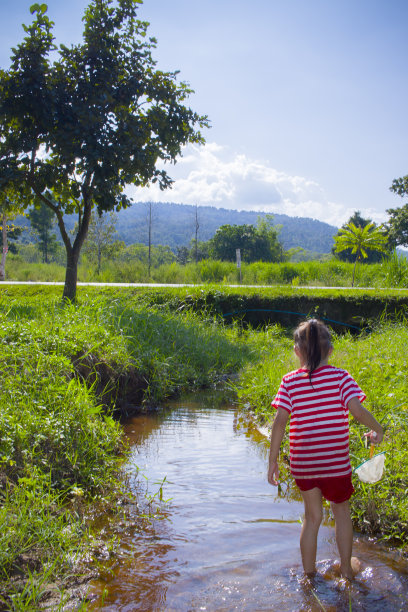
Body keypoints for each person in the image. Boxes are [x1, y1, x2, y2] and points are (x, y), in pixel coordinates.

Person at [267, 319, 383, 580]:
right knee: (341, 512)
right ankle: (347, 574)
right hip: (335, 463)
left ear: (297, 351)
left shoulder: (289, 382)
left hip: (303, 464)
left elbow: (279, 423)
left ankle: (309, 577)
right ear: (330, 350)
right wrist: (378, 429)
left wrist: (272, 460)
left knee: (312, 517)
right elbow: (357, 410)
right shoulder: (341, 377)